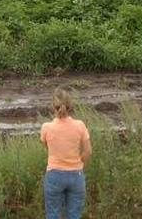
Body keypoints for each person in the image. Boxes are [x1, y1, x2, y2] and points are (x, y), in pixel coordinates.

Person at [40, 88, 92, 219]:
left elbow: (47, 147)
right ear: (70, 106)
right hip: (76, 175)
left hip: (54, 175)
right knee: (74, 215)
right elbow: (88, 151)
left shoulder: (46, 127)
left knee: (53, 215)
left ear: (53, 106)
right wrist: (80, 164)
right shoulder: (80, 125)